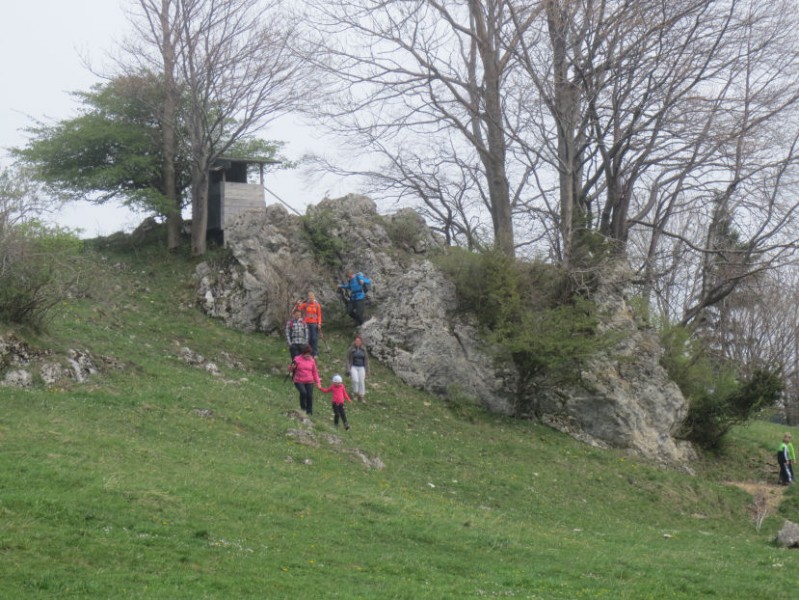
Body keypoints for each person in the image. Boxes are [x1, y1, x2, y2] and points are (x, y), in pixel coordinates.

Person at [292, 345, 320, 416]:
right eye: (306, 354)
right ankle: (303, 408)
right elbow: (291, 368)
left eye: (309, 354)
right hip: (299, 380)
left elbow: (315, 372)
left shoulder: (312, 360)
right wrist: (292, 367)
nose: (308, 356)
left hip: (309, 381)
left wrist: (318, 382)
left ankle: (309, 412)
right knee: (303, 393)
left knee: (310, 396)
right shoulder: (297, 359)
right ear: (303, 353)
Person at [294, 291, 323, 356]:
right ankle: (308, 352)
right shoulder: (305, 304)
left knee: (314, 338)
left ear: (314, 297)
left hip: (314, 324)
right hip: (306, 323)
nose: (310, 299)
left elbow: (319, 315)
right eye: (309, 298)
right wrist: (297, 304)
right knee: (307, 338)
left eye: (312, 298)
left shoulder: (317, 305)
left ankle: (315, 353)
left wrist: (319, 323)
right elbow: (298, 309)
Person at [346, 334, 369, 402]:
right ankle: (355, 392)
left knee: (361, 381)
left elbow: (366, 360)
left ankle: (361, 395)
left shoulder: (363, 349)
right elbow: (347, 358)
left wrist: (367, 370)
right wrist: (348, 368)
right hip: (353, 366)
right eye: (356, 341)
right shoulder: (351, 349)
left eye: (359, 341)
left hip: (361, 367)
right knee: (355, 380)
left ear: (361, 342)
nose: (357, 342)